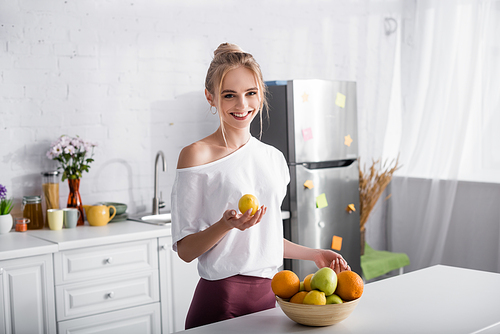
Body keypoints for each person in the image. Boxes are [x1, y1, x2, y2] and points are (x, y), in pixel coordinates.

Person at [171, 42, 350, 330]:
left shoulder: (273, 159)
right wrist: (226, 225)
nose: (242, 105)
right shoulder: (196, 155)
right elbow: (185, 250)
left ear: (260, 93)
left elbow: (263, 241)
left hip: (271, 297)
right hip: (221, 300)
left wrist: (315, 254)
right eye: (229, 95)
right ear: (210, 97)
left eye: (250, 93)